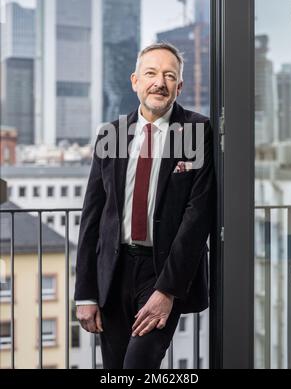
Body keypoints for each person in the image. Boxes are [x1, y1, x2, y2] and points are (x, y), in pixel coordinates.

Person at [74, 42, 216, 369]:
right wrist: (86, 294)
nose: (160, 82)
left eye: (169, 75)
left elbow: (197, 218)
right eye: (151, 73)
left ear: (179, 87)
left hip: (161, 270)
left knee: (137, 366)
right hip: (113, 270)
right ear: (135, 81)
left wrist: (167, 290)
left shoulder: (196, 130)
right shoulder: (111, 134)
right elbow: (92, 219)